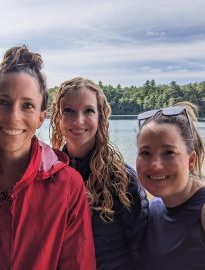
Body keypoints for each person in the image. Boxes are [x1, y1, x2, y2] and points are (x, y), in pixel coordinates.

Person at [0, 46, 96, 270]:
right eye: (3, 102)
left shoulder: (67, 185)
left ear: (41, 118)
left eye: (27, 106)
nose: (14, 117)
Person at [50, 77, 148, 269]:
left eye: (88, 111)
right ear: (57, 117)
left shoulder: (123, 179)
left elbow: (141, 249)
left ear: (100, 117)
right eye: (68, 110)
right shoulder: (49, 173)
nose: (78, 120)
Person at [136, 101, 205, 270]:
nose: (155, 165)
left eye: (169, 153)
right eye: (145, 153)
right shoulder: (151, 212)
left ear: (191, 160)